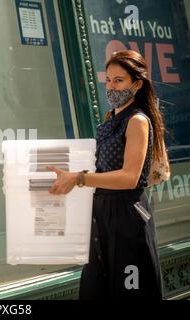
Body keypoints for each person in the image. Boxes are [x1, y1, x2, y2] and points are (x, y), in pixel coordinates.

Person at [47, 50, 165, 300]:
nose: (111, 86)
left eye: (119, 80)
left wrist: (78, 178)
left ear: (137, 84)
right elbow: (103, 168)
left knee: (129, 292)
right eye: (108, 80)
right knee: (97, 288)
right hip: (101, 215)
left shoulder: (138, 121)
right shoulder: (110, 117)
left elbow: (129, 177)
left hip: (126, 216)